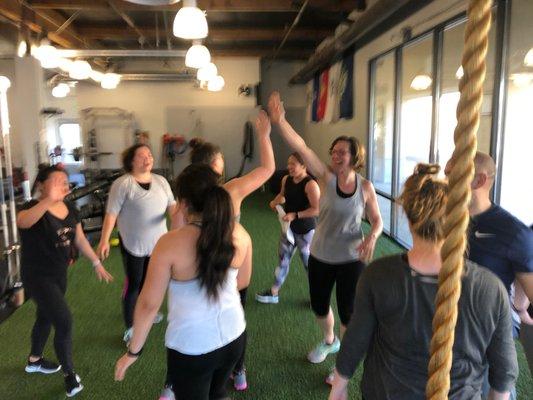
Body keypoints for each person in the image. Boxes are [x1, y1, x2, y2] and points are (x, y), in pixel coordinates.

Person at [328, 163, 518, 400]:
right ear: (461, 218)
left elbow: (355, 341)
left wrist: (338, 388)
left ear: (408, 215)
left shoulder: (378, 275)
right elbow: (504, 373)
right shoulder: (491, 288)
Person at [268, 92, 383, 380]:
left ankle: (341, 365)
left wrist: (373, 237)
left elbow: (377, 219)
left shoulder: (365, 187)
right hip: (321, 254)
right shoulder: (325, 178)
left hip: (351, 258)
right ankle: (330, 340)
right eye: (334, 151)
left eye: (342, 152)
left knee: (348, 311)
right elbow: (302, 147)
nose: (335, 155)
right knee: (320, 306)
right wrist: (280, 121)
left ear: (355, 157)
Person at [114, 164, 252, 400]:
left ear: (184, 203)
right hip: (234, 337)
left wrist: (133, 352)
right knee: (218, 394)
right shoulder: (240, 233)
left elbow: (148, 305)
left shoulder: (169, 244)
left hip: (192, 348)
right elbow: (242, 283)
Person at [172, 109, 274, 392]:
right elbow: (266, 170)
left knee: (190, 326)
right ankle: (237, 370)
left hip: (196, 274)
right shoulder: (232, 191)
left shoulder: (186, 199)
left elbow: (175, 234)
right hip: (230, 269)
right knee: (234, 318)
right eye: (222, 161)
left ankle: (177, 381)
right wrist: (264, 136)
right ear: (215, 166)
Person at [18, 164, 113, 397]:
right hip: (37, 276)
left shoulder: (69, 207)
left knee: (45, 316)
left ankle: (35, 360)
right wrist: (48, 201)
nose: (63, 183)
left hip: (58, 274)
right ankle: (70, 375)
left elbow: (79, 239)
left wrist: (96, 262)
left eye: (65, 180)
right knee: (63, 320)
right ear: (41, 184)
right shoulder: (31, 207)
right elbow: (24, 222)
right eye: (57, 180)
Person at [445, 152, 533, 397]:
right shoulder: (445, 218)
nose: (446, 179)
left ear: (479, 181)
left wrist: (520, 311)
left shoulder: (513, 233)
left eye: (452, 174)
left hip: (485, 340)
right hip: (445, 329)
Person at [97, 144, 176, 343]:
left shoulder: (161, 181)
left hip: (159, 245)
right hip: (133, 245)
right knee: (134, 284)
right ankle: (131, 327)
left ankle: (148, 311)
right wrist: (104, 240)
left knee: (153, 283)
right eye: (141, 156)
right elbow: (111, 214)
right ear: (131, 161)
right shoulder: (123, 184)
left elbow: (173, 210)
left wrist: (182, 231)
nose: (147, 158)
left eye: (149, 154)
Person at [256, 152, 320, 303]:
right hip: (288, 229)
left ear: (304, 166)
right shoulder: (286, 179)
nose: (289, 167)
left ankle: (317, 298)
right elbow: (283, 196)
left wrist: (295, 215)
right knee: (283, 261)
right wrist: (275, 201)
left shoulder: (311, 185)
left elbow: (317, 209)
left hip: (306, 231)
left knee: (309, 265)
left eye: (293, 164)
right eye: (288, 163)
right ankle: (274, 293)